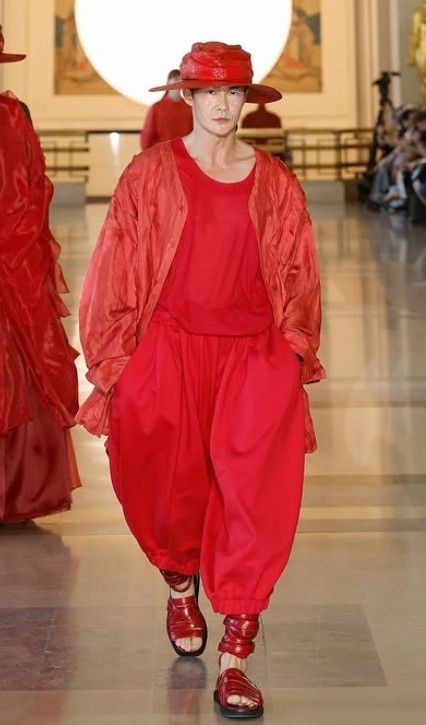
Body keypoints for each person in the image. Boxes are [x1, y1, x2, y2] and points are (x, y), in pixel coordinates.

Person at [78, 41, 325, 719]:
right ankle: (180, 583)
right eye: (209, 92)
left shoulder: (274, 181)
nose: (222, 105)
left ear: (247, 99)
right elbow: (113, 268)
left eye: (233, 92)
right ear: (186, 97)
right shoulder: (150, 175)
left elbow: (300, 271)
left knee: (255, 500)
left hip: (253, 358)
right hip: (169, 353)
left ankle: (237, 653)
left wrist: (291, 353)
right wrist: (117, 365)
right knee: (167, 490)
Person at [0, 26, 81, 523]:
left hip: (13, 264)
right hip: (15, 261)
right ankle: (17, 492)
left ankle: (16, 491)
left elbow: (33, 189)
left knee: (19, 366)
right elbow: (35, 191)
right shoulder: (16, 114)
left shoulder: (16, 114)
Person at [140, 68, 193, 150]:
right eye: (176, 79)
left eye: (181, 80)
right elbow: (147, 137)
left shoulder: (189, 108)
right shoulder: (156, 108)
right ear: (168, 82)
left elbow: (194, 134)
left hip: (184, 153)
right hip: (162, 153)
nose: (178, 82)